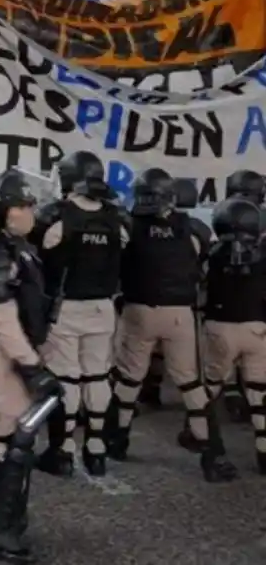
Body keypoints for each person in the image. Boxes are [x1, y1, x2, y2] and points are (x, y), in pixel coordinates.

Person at [106, 168, 237, 482]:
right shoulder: (193, 228)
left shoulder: (127, 225)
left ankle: (117, 440)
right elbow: (205, 263)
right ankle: (213, 455)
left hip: (139, 310)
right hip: (180, 313)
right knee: (190, 383)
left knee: (129, 379)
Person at [0, 169, 63, 563]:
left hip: (7, 350)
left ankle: (0, 520)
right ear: (1, 211)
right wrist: (32, 365)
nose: (29, 209)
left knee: (9, 437)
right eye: (22, 204)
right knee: (12, 439)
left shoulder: (10, 245)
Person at [28, 151, 127, 478]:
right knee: (97, 375)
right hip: (103, 305)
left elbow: (33, 253)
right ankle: (96, 449)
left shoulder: (54, 216)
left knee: (67, 377)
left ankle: (64, 450)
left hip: (65, 306)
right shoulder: (117, 217)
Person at [202, 197, 266, 474]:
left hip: (220, 328)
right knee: (259, 392)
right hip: (257, 329)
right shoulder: (263, 253)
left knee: (207, 391)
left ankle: (209, 445)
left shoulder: (211, 254)